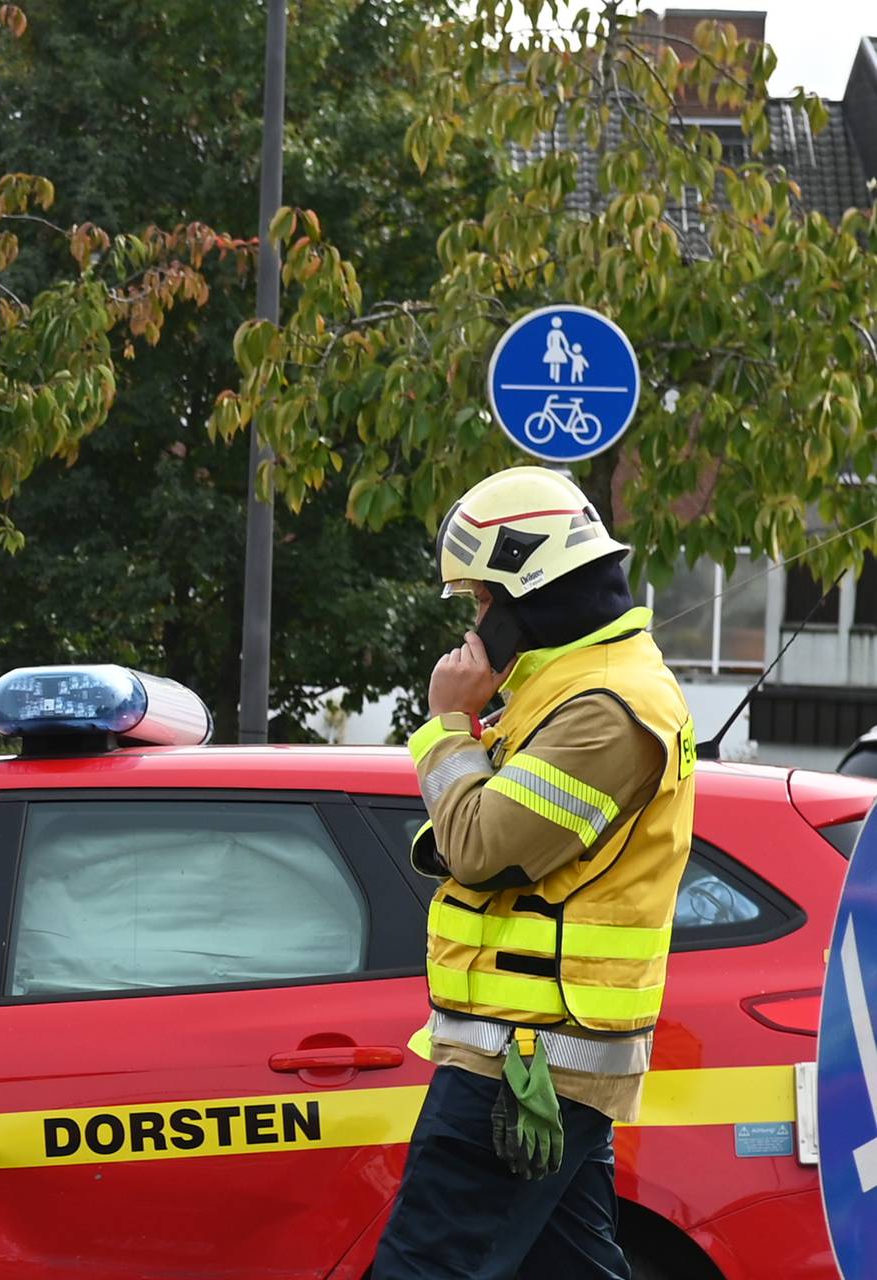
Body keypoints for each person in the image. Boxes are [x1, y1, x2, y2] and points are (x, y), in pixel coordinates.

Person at [369, 467, 696, 1280]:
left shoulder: (604, 708)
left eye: (482, 600)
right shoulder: (571, 691)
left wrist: (448, 723)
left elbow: (481, 848)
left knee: (424, 1269)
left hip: (521, 1067)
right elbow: (489, 842)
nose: (477, 623)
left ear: (530, 586)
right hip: (536, 1059)